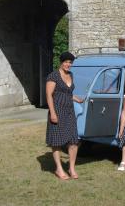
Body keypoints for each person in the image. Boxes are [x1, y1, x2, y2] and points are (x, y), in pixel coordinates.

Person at [45, 51, 84, 180]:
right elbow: (49, 95)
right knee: (57, 141)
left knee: (73, 141)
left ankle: (71, 168)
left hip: (69, 112)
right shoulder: (53, 76)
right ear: (61, 62)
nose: (68, 64)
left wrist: (76, 98)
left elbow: (66, 93)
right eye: (66, 62)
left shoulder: (70, 75)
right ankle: (59, 169)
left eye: (70, 62)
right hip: (57, 111)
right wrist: (53, 113)